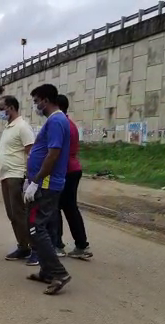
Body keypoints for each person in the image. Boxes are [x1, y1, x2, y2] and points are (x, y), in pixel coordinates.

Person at [24, 84, 72, 295]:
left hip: (46, 184)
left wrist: (36, 181)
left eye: (36, 102)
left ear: (45, 100)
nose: (36, 106)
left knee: (36, 227)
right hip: (46, 183)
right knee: (41, 227)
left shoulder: (56, 121)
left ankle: (58, 273)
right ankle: (46, 271)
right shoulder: (57, 121)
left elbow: (53, 154)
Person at [0, 96, 36, 263]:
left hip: (17, 176)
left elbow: (31, 153)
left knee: (20, 214)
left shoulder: (23, 127)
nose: (0, 112)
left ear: (10, 108)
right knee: (12, 214)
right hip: (6, 175)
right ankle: (23, 246)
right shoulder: (8, 128)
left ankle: (34, 249)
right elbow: (4, 154)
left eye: (2, 108)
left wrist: (30, 178)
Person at [54, 95, 93, 259]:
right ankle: (81, 245)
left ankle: (57, 245)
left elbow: (55, 152)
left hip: (65, 171)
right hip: (72, 169)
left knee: (55, 207)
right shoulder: (69, 124)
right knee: (70, 208)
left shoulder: (60, 124)